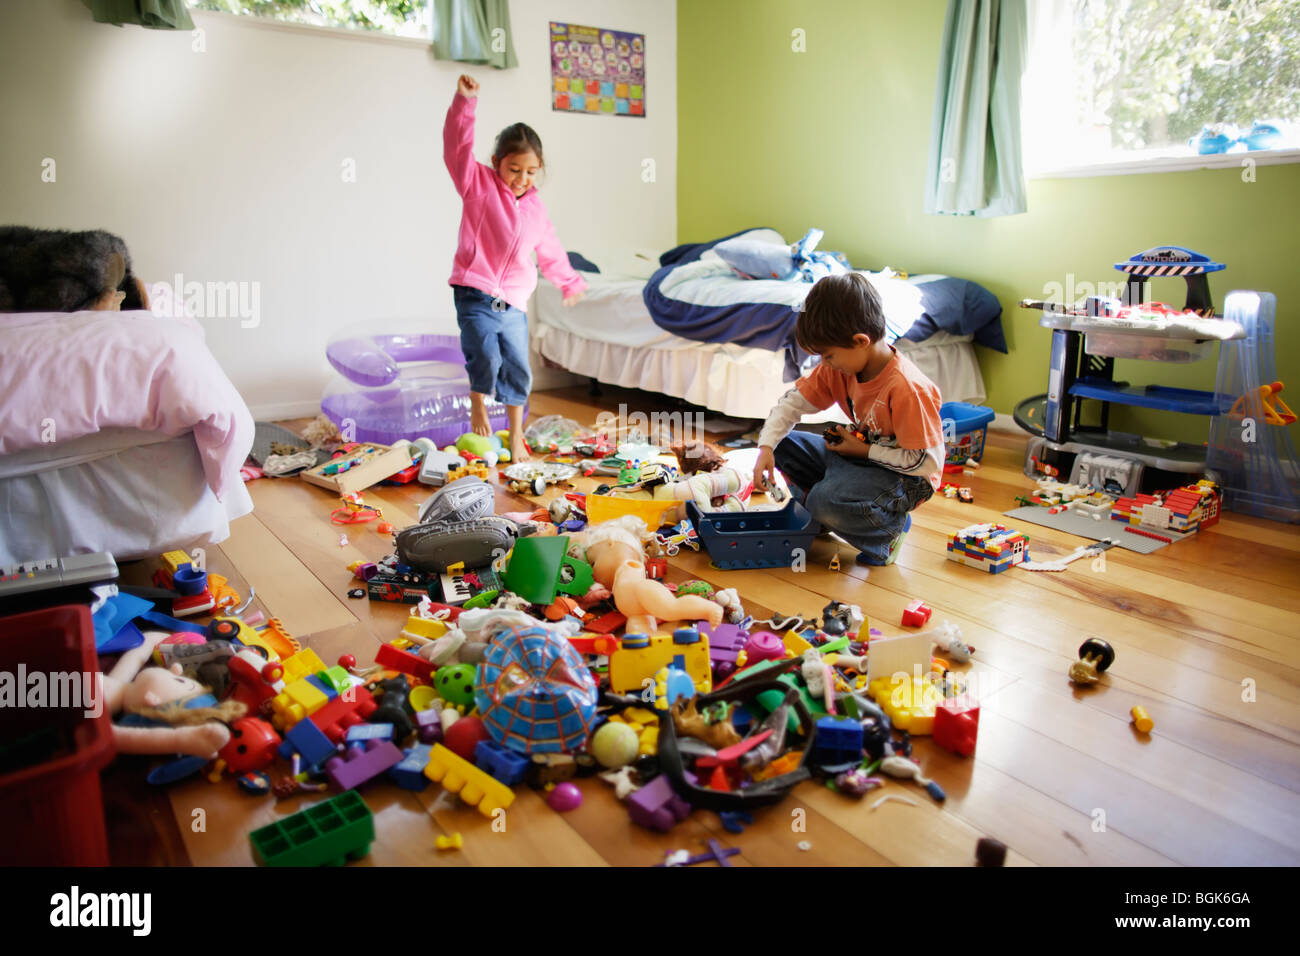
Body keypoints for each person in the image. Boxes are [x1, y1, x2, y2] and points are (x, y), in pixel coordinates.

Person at [752, 272, 944, 566]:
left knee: (823, 501)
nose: (824, 364)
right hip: (862, 456)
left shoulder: (908, 388)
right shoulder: (838, 368)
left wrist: (863, 450)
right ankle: (825, 514)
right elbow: (790, 405)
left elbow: (924, 462)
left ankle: (885, 533)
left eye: (828, 356)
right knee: (781, 443)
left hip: (909, 477)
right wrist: (765, 448)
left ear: (860, 341)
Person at [444, 73, 587, 462]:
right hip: (475, 290)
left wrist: (569, 282)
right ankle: (477, 400)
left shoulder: (536, 207)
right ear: (496, 163)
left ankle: (516, 433)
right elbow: (457, 147)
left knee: (519, 368)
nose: (522, 179)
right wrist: (465, 103)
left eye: (530, 171)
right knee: (485, 356)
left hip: (514, 301)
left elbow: (550, 248)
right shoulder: (477, 183)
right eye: (514, 169)